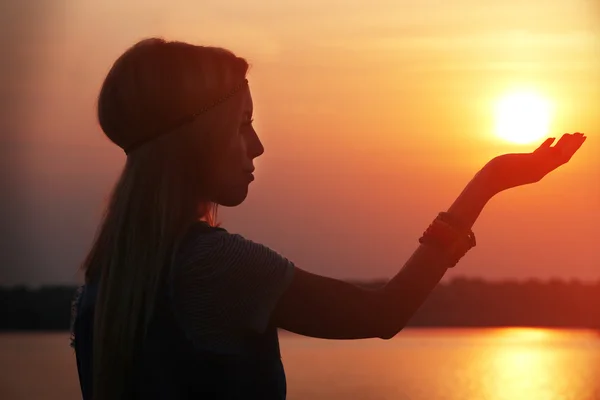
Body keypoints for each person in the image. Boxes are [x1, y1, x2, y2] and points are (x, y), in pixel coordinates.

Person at [69, 37, 587, 400]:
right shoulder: (213, 267)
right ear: (196, 141)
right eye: (241, 125)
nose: (257, 146)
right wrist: (489, 182)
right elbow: (383, 314)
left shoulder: (102, 279)